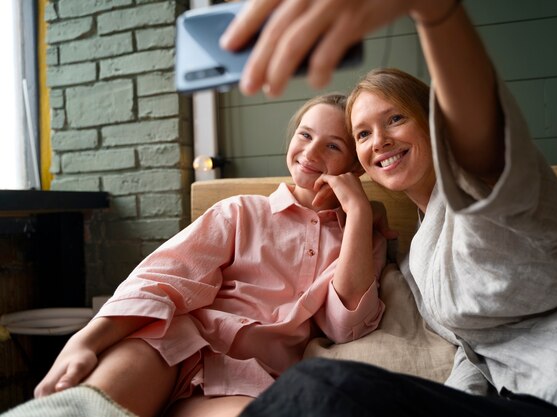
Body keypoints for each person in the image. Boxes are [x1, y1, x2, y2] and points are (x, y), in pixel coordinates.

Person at [220, 1, 557, 417]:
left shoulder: (492, 195)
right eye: (362, 133)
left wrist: (437, 13)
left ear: (436, 122)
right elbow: (478, 349)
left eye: (395, 118)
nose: (379, 140)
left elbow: (480, 136)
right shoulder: (416, 257)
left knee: (312, 391)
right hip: (528, 398)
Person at [32, 93, 390, 417]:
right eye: (305, 135)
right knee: (80, 412)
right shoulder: (240, 211)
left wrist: (358, 212)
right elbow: (160, 281)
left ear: (356, 165)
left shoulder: (361, 238)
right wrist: (85, 342)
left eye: (332, 146)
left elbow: (346, 327)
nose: (311, 153)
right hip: (173, 348)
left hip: (246, 383)